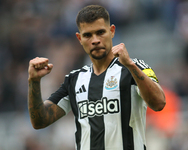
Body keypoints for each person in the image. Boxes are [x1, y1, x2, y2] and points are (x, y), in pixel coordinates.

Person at [28, 5, 166, 150]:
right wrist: (34, 82)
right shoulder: (74, 80)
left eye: (100, 32)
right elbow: (40, 121)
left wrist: (130, 65)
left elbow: (159, 103)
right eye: (88, 35)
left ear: (112, 31)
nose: (95, 40)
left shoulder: (135, 68)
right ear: (79, 38)